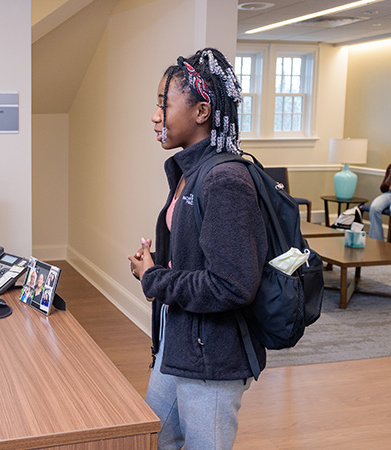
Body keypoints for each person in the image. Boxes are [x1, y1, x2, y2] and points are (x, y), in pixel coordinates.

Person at [127, 48, 267, 450]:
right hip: (179, 342)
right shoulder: (189, 172)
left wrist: (154, 278)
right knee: (156, 438)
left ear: (201, 111)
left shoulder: (225, 180)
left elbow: (233, 285)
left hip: (214, 360)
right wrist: (154, 268)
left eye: (163, 105)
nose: (155, 116)